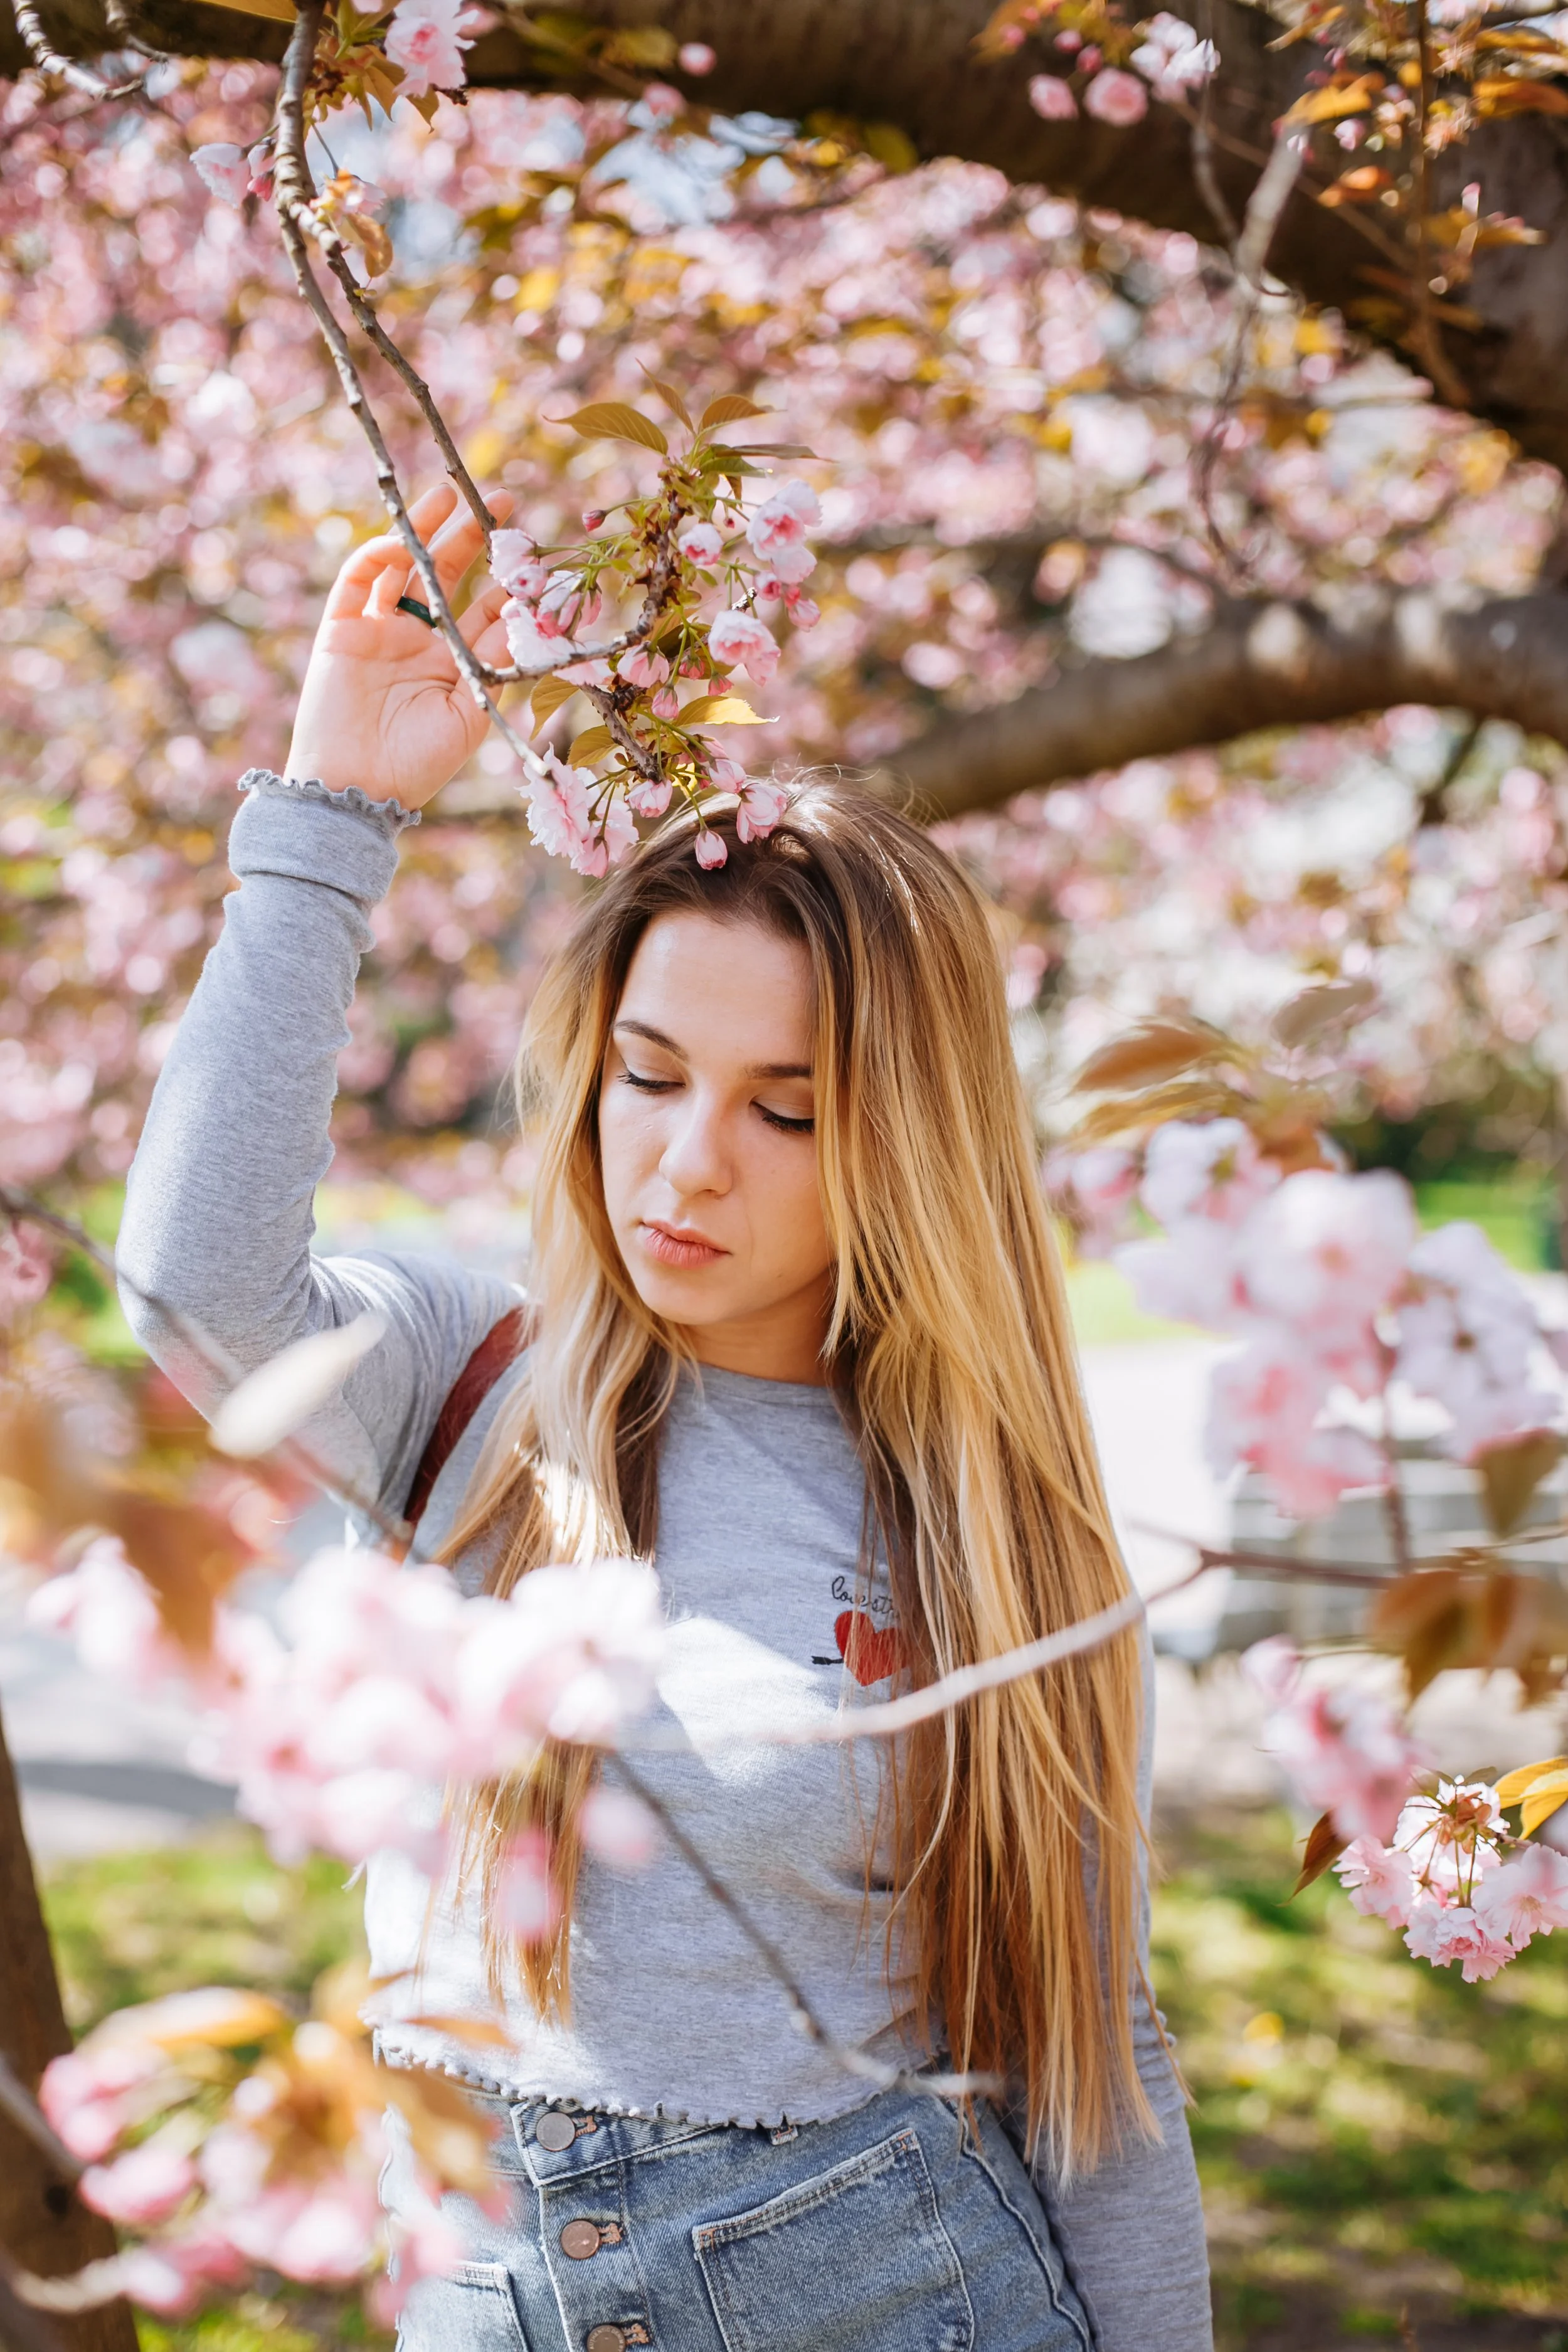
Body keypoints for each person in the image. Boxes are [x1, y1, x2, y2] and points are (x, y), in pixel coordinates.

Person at [118, 483, 1212, 2352]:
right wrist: (327, 821)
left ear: (901, 1146)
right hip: (485, 2280)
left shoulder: (990, 1532)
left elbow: (1092, 2051)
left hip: (895, 2291)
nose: (688, 1164)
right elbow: (191, 1282)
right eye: (648, 1075)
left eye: (785, 1110)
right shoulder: (474, 1389)